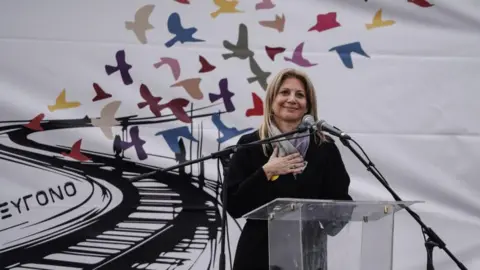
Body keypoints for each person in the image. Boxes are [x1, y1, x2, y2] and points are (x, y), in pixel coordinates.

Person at [223, 68, 353, 270]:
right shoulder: (251, 144)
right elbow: (234, 205)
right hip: (258, 257)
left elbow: (341, 204)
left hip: (306, 255)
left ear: (308, 105)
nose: (292, 99)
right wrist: (266, 172)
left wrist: (328, 212)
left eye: (300, 95)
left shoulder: (324, 147)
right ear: (272, 100)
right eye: (285, 92)